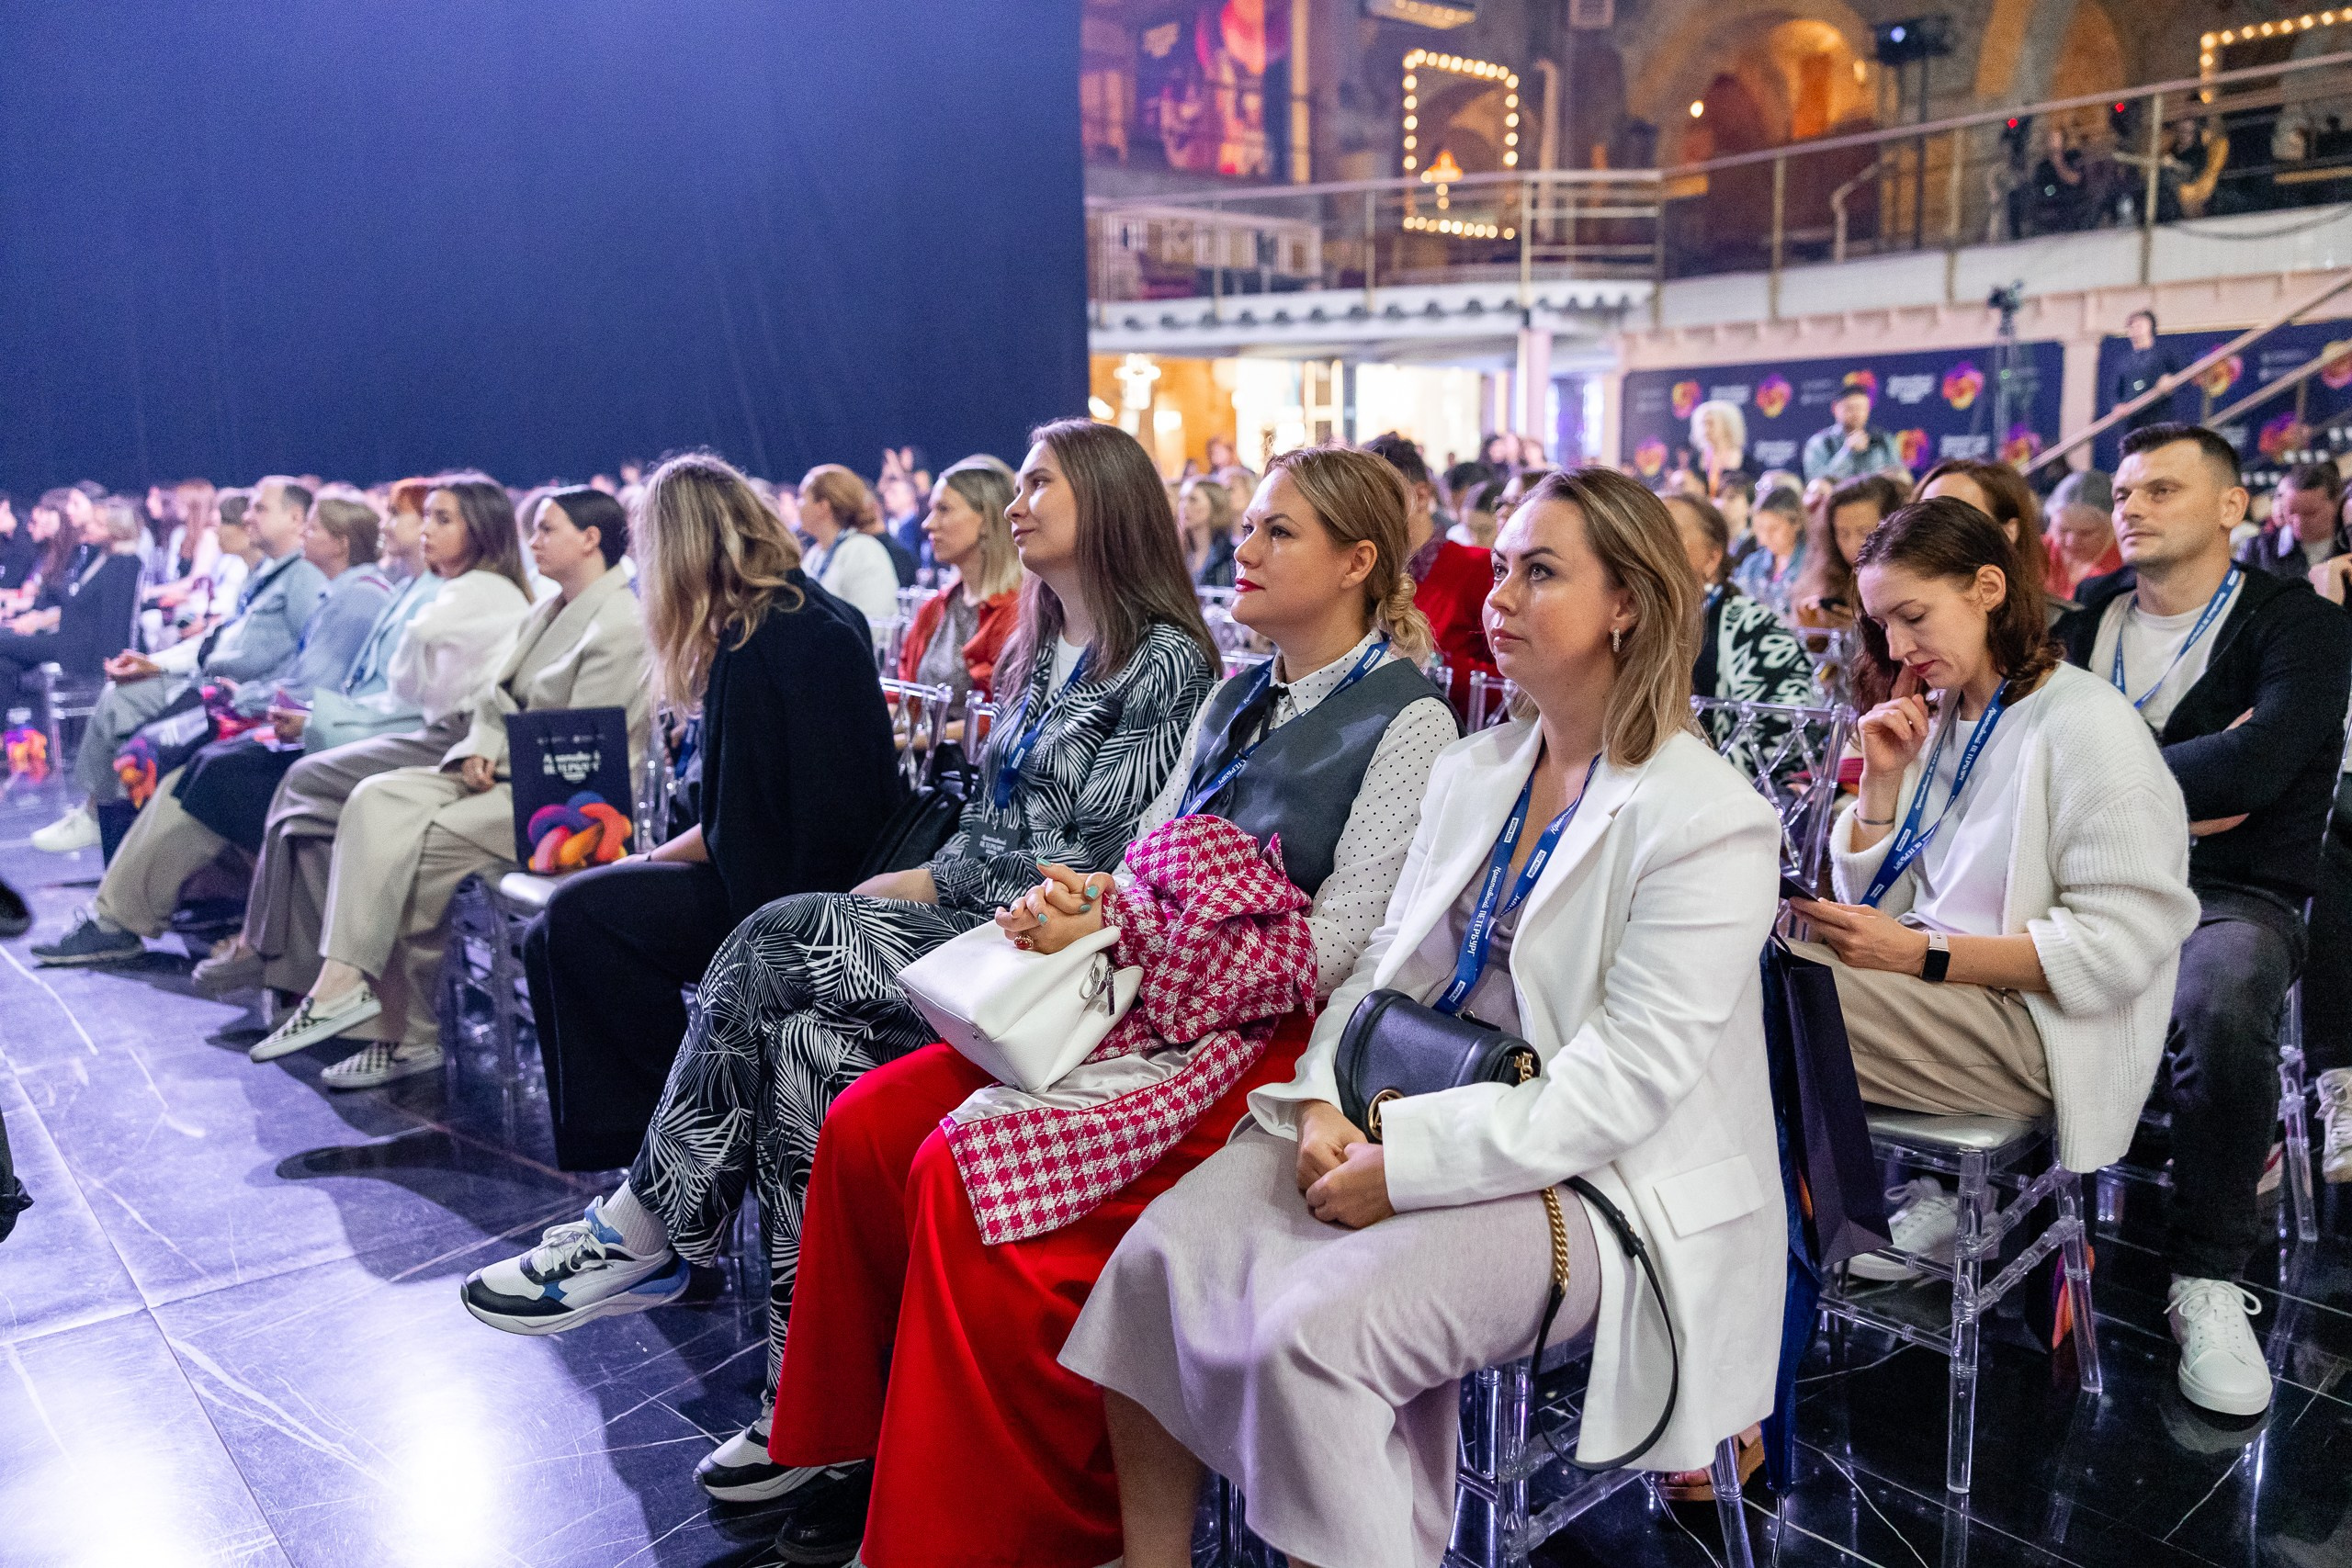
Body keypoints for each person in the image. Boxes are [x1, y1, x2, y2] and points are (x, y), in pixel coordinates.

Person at [459, 419, 1219, 1508]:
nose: (1017, 499)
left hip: (1049, 959)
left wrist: (918, 895)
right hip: (969, 925)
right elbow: (981, 829)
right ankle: (810, 1412)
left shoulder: (1165, 664)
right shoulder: (1040, 648)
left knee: (770, 936)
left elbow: (1083, 865)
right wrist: (903, 887)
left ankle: (651, 1224)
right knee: (804, 1053)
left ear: (1107, 501)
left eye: (1041, 482)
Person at [1067, 468, 1789, 1568]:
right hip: (1419, 1106)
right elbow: (1379, 972)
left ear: (1629, 604)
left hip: (1600, 1184)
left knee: (1312, 1337)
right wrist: (1317, 1098)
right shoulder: (1477, 767)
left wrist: (1403, 1164)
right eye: (1499, 566)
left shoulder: (1709, 817)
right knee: (1158, 1259)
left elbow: (1621, 1088)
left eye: (1540, 573)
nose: (1498, 596)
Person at [760, 444, 1461, 1566]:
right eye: (1251, 526)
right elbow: (1142, 867)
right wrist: (1089, 900)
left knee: (959, 1175)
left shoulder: (1410, 721)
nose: (1244, 545)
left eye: (1279, 532)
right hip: (1146, 990)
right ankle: (866, 1457)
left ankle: (1011, 1527)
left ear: (1355, 564)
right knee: (866, 1126)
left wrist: (1131, 922)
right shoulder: (1237, 696)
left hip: (1257, 1035)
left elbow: (1341, 950)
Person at [1790, 497, 2197, 1289]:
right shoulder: (1945, 719)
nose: (1899, 647)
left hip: (2039, 1029)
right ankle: (1801, 1228)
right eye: (1881, 627)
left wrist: (1925, 953)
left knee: (1762, 994)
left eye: (1913, 616)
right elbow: (1887, 896)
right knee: (1755, 968)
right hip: (1938, 990)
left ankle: (1786, 1237)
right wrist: (1879, 785)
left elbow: (2118, 950)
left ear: (1986, 587)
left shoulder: (2087, 724)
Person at [2055, 423, 2352, 1417]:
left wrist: (2101, 778)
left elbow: (2261, 768)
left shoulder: (2297, 626)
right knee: (1945, 948)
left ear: (2232, 506)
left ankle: (2207, 1275)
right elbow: (2022, 763)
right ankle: (1964, 1194)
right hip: (2083, 880)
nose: (2130, 506)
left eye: (2161, 491)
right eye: (2127, 491)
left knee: (2223, 995)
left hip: (2227, 890)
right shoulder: (2081, 618)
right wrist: (2182, 776)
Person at [526, 454, 903, 1174]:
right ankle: (649, 1160)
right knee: (559, 925)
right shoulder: (790, 613)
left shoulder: (767, 636)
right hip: (785, 874)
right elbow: (746, 816)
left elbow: (742, 830)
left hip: (796, 901)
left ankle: (665, 1167)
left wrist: (643, 860)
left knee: (579, 920)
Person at [243, 486, 647, 1089]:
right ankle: (341, 983)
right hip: (508, 771)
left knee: (413, 847)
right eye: (533, 529)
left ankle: (409, 1035)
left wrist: (495, 750)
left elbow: (580, 740)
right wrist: (480, 747)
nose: (532, 540)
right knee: (374, 800)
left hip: (572, 803)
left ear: (591, 539)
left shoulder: (618, 623)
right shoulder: (549, 608)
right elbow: (495, 697)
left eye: (547, 529)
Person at [196, 477, 534, 1000]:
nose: (424, 530)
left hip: (452, 740)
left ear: (482, 529)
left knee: (298, 782)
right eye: (423, 517)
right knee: (307, 824)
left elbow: (411, 685)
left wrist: (317, 718)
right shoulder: (438, 589)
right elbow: (405, 680)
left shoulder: (480, 592)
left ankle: (272, 954)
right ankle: (297, 977)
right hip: (435, 729)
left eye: (441, 519)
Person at [33, 491, 396, 964]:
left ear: (343, 542)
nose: (304, 531)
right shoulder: (342, 590)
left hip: (318, 736)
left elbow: (314, 686)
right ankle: (131, 901)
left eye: (313, 526)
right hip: (300, 724)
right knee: (183, 768)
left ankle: (130, 913)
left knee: (195, 777)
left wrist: (242, 699)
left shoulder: (352, 595)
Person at [29, 478, 325, 855]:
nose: (246, 518)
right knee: (123, 697)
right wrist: (155, 664)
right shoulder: (266, 576)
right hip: (216, 685)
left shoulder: (302, 578)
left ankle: (114, 827)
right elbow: (219, 643)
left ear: (295, 518)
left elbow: (307, 660)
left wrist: (258, 697)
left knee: (129, 709)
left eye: (259, 509)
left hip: (237, 699)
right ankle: (110, 822)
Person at [1362, 432, 1498, 709]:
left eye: (1376, 500)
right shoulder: (1359, 577)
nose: (1364, 514)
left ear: (1421, 496)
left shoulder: (1476, 567)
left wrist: (1431, 665)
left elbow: (1515, 685)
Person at [1664, 493, 1816, 712]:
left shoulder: (1758, 634)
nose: (1647, 548)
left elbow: (1778, 739)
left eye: (1668, 536)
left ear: (1711, 559)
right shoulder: (1629, 622)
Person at [896, 457, 1023, 701]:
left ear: (987, 518)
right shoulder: (934, 608)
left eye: (943, 510)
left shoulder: (1016, 613)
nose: (928, 524)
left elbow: (999, 717)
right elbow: (903, 699)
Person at [0, 494, 143, 699]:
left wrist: (113, 667)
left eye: (97, 524)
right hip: (66, 638)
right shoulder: (98, 558)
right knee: (5, 665)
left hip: (78, 650)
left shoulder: (124, 563)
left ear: (115, 530)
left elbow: (116, 621)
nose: (89, 526)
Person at [800, 464, 902, 637]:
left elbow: (873, 627)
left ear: (822, 507)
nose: (798, 505)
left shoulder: (864, 551)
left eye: (802, 497)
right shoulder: (815, 554)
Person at [1794, 473, 1903, 630]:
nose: (1853, 545)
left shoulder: (1908, 583)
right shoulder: (1831, 580)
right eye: (1843, 533)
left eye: (1864, 533)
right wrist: (1814, 630)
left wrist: (1864, 630)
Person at [2238, 460, 2345, 580]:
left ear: (2337, 503)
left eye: (2310, 513)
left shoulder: (2347, 545)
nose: (2299, 522)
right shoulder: (2257, 550)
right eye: (2291, 513)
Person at [1732, 484, 1808, 621]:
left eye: (1774, 529)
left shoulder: (1811, 563)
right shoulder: (1753, 564)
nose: (1766, 537)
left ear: (1796, 523)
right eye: (1760, 528)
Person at [2044, 469, 2123, 599]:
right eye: (2063, 530)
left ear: (2111, 527)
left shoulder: (2124, 568)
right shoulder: (2036, 551)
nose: (2071, 542)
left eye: (2086, 533)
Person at [1802, 388, 1902, 483]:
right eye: (1850, 408)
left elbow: (1899, 474)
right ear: (1835, 408)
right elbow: (1816, 483)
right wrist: (1847, 452)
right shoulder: (1820, 442)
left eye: (1862, 408)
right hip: (1836, 500)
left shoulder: (1883, 438)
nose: (1857, 414)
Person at [2115, 310, 2183, 434]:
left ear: (2150, 327)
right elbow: (2115, 389)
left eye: (2140, 325)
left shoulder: (2164, 354)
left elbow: (2181, 373)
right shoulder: (2124, 362)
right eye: (2131, 326)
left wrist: (2170, 379)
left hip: (2159, 416)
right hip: (2132, 422)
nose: (2135, 329)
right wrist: (2117, 405)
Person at [1177, 471, 1238, 588]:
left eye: (1193, 499)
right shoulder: (1178, 554)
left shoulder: (1230, 557)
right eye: (1181, 499)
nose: (1184, 506)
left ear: (1215, 505)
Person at [1690, 400, 1752, 492]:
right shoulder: (1696, 459)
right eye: (1703, 423)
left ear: (1727, 424)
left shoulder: (1746, 460)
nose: (1706, 429)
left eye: (1710, 423)